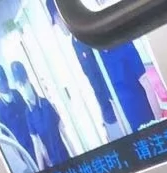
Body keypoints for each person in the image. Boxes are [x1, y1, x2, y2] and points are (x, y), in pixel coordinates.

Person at [45, 0, 122, 138]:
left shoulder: (89, 33)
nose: (58, 26)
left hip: (117, 103)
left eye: (56, 19)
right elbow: (92, 80)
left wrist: (116, 105)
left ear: (62, 14)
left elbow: (107, 72)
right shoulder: (75, 43)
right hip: (107, 110)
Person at [10, 60, 71, 168]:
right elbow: (37, 146)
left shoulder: (46, 104)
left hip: (65, 156)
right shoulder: (28, 114)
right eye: (20, 87)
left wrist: (77, 157)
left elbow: (64, 133)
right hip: (52, 163)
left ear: (28, 81)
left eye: (24, 84)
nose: (23, 89)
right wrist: (41, 171)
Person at [0, 60, 35, 161]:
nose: (4, 85)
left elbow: (28, 111)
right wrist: (17, 152)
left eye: (5, 82)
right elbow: (6, 134)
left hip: (34, 137)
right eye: (1, 84)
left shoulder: (16, 94)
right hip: (23, 147)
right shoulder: (0, 107)